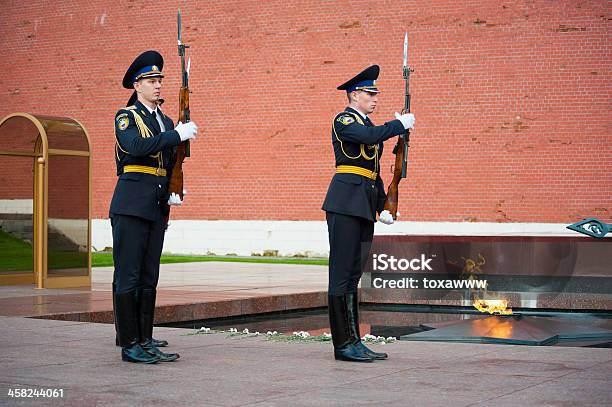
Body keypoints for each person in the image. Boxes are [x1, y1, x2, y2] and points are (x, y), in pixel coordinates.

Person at [322, 65, 415, 362]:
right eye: (369, 93)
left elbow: (373, 173)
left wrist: (383, 206)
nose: (375, 99)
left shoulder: (368, 126)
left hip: (362, 205)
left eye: (375, 94)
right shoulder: (345, 120)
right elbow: (369, 135)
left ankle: (355, 341)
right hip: (344, 203)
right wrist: (398, 126)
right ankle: (342, 345)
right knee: (340, 277)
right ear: (354, 95)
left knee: (352, 278)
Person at [110, 50, 197, 363]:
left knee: (149, 275)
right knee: (128, 275)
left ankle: (145, 339)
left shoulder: (165, 119)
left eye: (160, 79)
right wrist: (174, 135)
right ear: (137, 85)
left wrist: (175, 187)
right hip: (131, 202)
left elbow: (171, 161)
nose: (158, 84)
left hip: (157, 203)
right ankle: (129, 343)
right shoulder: (127, 116)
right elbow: (134, 147)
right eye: (151, 80)